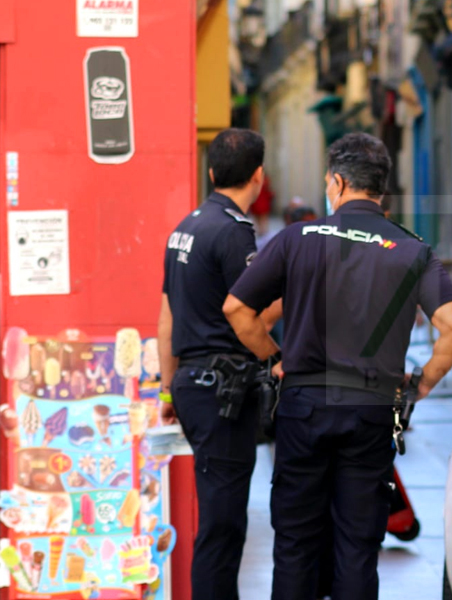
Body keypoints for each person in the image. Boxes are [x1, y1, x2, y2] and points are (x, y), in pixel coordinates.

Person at [222, 132, 452, 600]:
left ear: (336, 182)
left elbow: (237, 309)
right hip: (372, 411)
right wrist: (419, 386)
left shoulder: (296, 239)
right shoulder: (412, 249)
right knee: (358, 547)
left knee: (296, 542)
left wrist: (275, 359)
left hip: (303, 407)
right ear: (382, 189)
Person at [157, 127, 281, 600]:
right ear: (258, 175)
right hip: (221, 389)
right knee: (224, 523)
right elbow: (250, 313)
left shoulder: (184, 229)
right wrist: (290, 293)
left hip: (192, 383)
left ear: (211, 173)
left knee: (218, 515)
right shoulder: (233, 232)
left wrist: (170, 389)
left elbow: (166, 317)